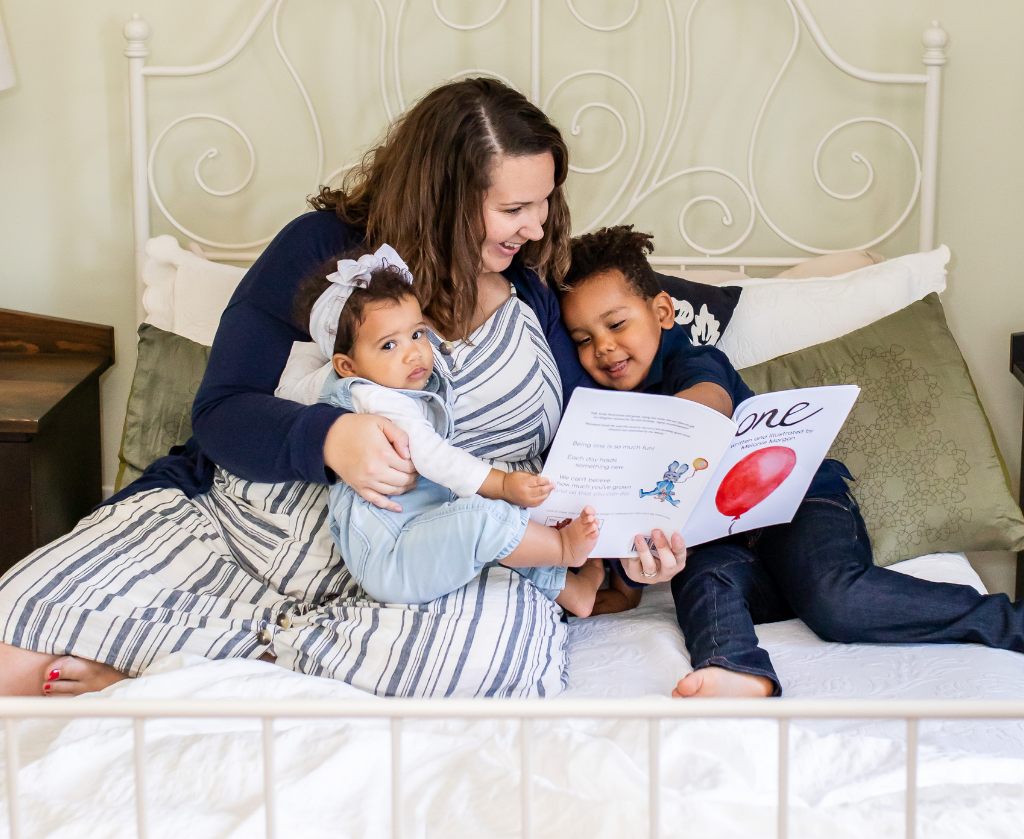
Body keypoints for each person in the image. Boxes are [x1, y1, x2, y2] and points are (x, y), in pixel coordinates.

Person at [0, 79, 682, 699]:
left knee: (473, 670)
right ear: (444, 198)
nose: (536, 227)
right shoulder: (321, 251)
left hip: (432, 560)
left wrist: (631, 555)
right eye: (514, 208)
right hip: (252, 529)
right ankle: (234, 666)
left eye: (544, 203)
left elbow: (621, 409)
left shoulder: (535, 289)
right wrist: (330, 436)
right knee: (11, 639)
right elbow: (222, 410)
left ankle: (188, 677)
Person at [557, 225, 1024, 698]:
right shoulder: (602, 414)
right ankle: (740, 670)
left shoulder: (693, 361)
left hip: (801, 504)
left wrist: (647, 447)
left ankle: (1010, 623)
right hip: (726, 545)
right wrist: (579, 589)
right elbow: (625, 594)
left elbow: (709, 403)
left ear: (661, 311)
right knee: (703, 579)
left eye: (616, 325)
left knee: (835, 599)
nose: (604, 347)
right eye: (582, 338)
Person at [286, 244, 603, 612]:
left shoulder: (375, 384)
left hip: (416, 532)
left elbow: (294, 381)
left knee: (486, 529)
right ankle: (562, 549)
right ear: (347, 366)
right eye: (389, 344)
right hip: (392, 551)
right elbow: (433, 457)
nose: (413, 352)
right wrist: (501, 484)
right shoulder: (376, 398)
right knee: (485, 517)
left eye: (417, 334)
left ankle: (576, 593)